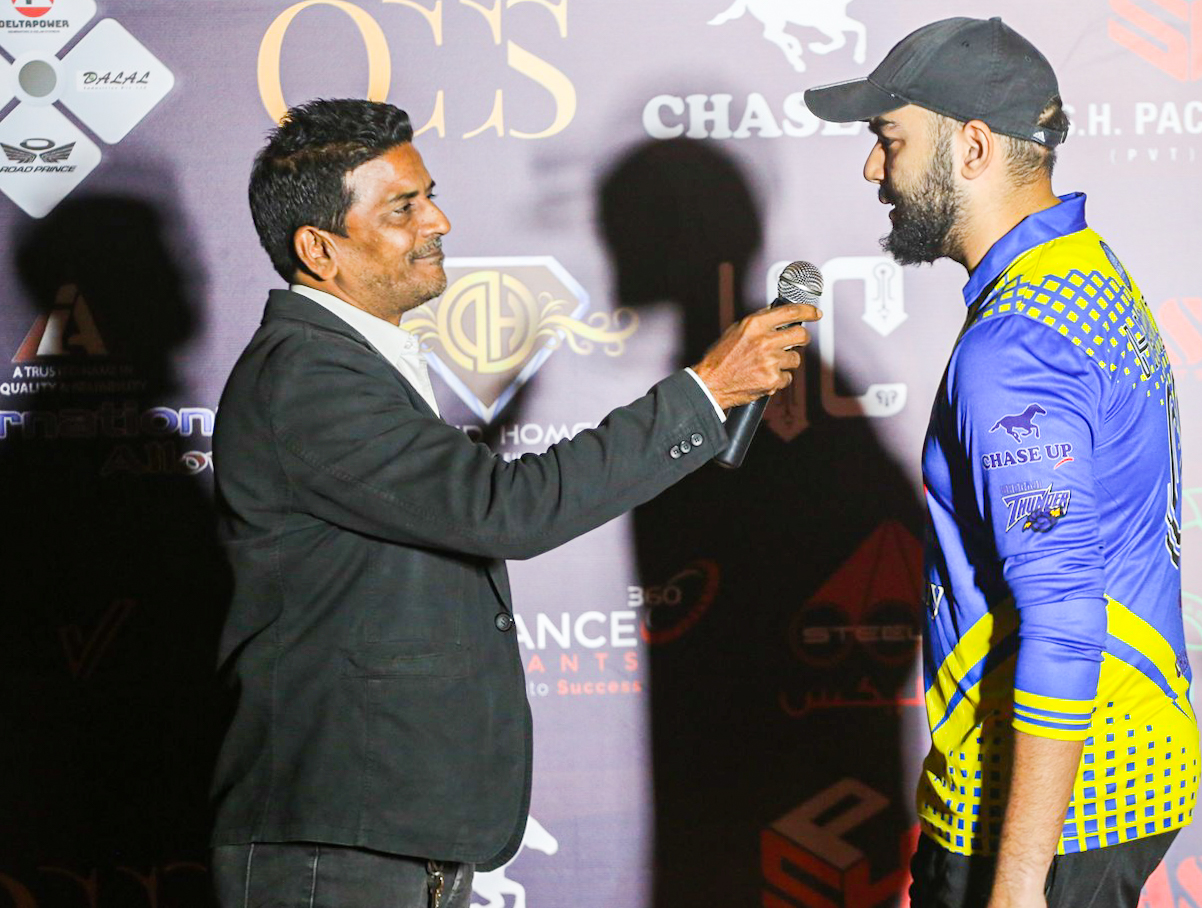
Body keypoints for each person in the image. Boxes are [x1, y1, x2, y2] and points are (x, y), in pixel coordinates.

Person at [209, 98, 818, 908]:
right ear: (319, 249)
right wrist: (704, 394)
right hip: (340, 846)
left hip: (384, 838)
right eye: (403, 208)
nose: (439, 222)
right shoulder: (308, 376)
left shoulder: (344, 364)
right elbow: (504, 510)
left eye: (429, 196)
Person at [804, 18, 1199, 908]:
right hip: (1120, 770)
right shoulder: (1081, 267)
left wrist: (1016, 883)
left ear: (971, 147)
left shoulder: (1018, 346)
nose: (873, 170)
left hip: (1052, 813)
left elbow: (1062, 617)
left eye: (889, 139)